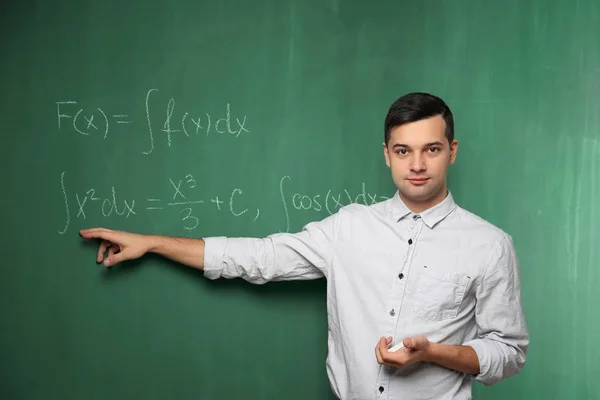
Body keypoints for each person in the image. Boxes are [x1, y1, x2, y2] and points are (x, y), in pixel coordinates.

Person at [80, 92, 528, 400]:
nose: (416, 164)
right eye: (403, 150)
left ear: (452, 151)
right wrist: (153, 242)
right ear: (386, 153)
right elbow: (260, 258)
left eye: (430, 149)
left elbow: (508, 352)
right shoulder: (349, 227)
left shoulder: (488, 244)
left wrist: (433, 353)